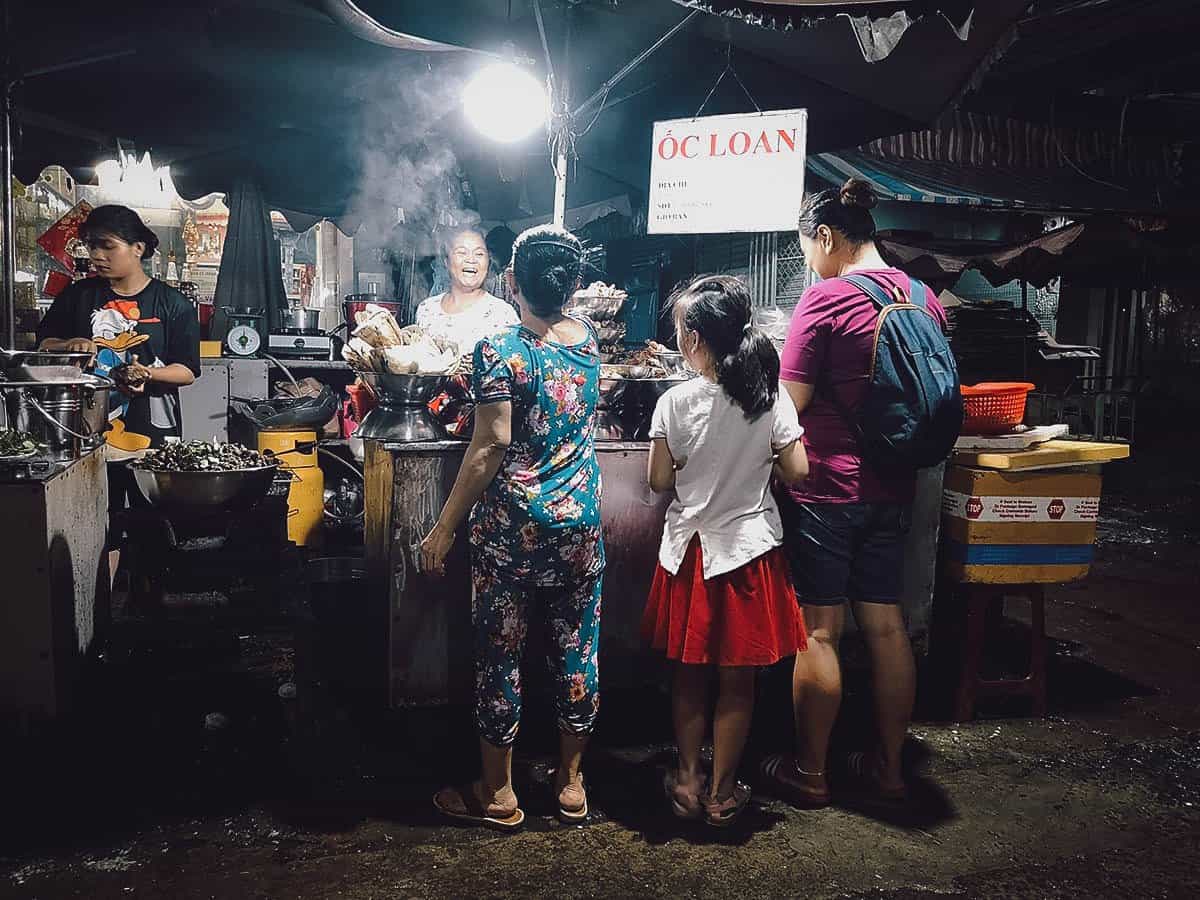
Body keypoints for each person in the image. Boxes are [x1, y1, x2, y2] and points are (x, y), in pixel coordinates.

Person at [761, 179, 948, 808]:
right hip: (896, 486)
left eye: (806, 249)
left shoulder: (827, 300)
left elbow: (792, 406)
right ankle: (891, 769)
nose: (807, 263)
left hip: (827, 489)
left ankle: (810, 773)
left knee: (820, 631)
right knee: (888, 627)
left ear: (825, 236)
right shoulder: (925, 297)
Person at [420, 225, 604, 831]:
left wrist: (444, 528)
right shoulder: (590, 341)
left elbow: (488, 444)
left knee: (501, 657)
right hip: (580, 525)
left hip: (512, 534)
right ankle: (572, 784)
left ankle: (498, 793)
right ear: (573, 286)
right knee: (577, 652)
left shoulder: (497, 349)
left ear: (512, 282)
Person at [643, 275, 810, 827]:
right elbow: (798, 469)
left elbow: (659, 480)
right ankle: (721, 792)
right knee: (739, 680)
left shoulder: (673, 402)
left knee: (689, 675)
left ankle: (687, 781)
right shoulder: (769, 395)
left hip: (690, 555)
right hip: (747, 554)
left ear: (693, 340)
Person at [414, 226, 518, 355]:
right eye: (462, 252)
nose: (471, 260)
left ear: (488, 261)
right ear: (446, 261)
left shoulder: (503, 314)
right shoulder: (427, 309)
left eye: (479, 253)